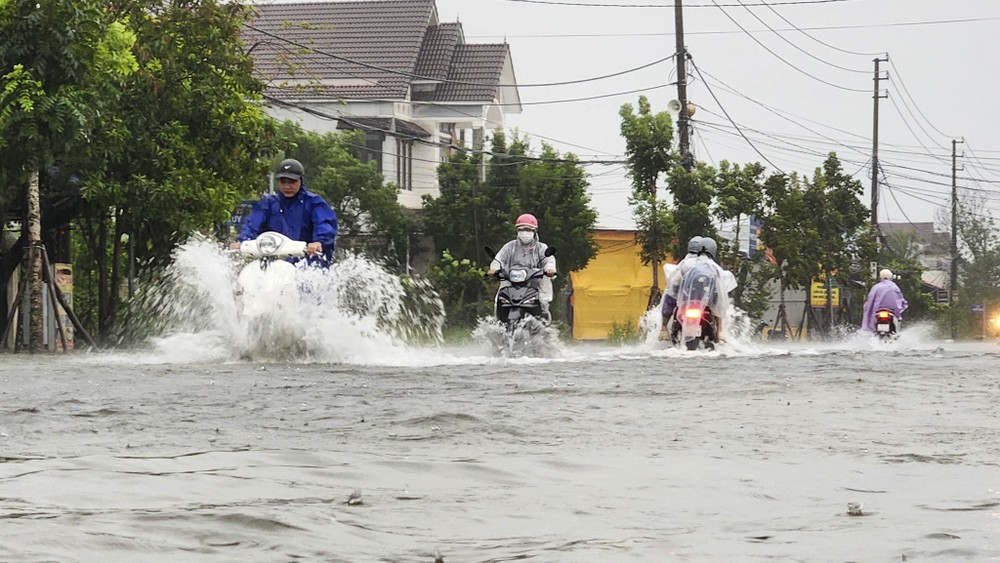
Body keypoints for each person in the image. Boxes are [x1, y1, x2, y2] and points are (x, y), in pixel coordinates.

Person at [230, 158, 338, 264]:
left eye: (292, 181)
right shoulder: (268, 203)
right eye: (283, 181)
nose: (287, 186)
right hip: (272, 261)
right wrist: (241, 241)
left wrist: (318, 242)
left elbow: (324, 224)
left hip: (307, 263)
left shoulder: (314, 202)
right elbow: (252, 223)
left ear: (301, 180)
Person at [487, 213, 557, 320]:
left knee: (543, 303)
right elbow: (499, 259)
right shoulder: (509, 247)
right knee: (499, 302)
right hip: (511, 283)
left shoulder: (542, 248)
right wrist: (494, 269)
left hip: (535, 284)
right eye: (522, 229)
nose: (525, 232)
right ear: (517, 231)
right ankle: (498, 326)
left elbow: (549, 260)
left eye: (528, 229)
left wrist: (549, 269)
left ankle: (546, 328)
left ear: (534, 231)